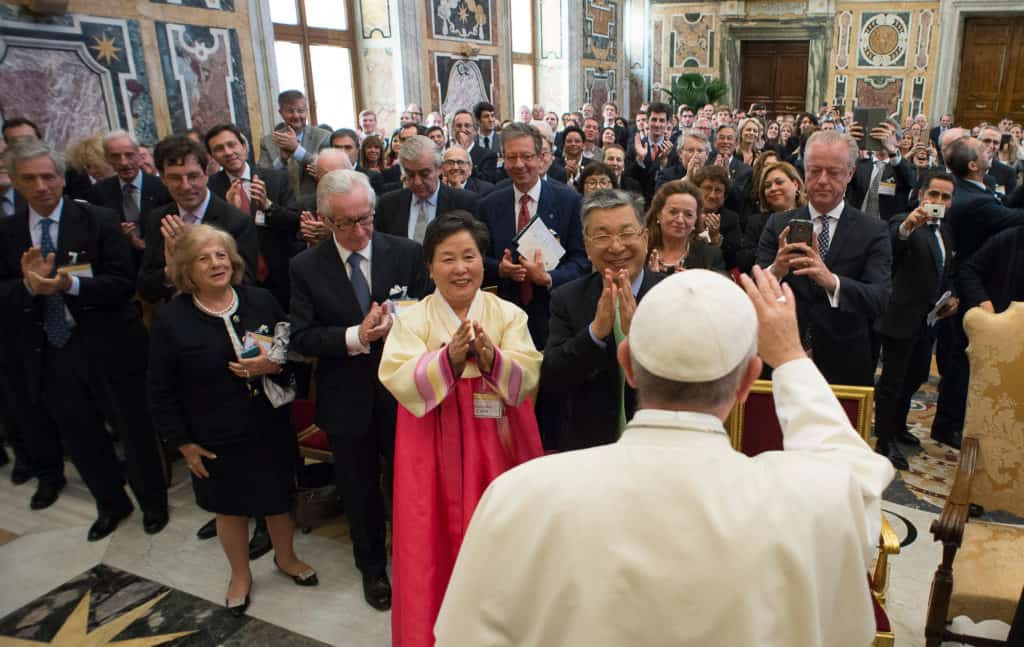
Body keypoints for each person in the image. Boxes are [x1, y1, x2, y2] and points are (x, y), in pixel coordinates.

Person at [436, 266, 895, 646]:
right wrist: (791, 356)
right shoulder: (809, 500)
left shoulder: (521, 495)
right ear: (748, 381)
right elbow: (851, 466)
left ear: (628, 365)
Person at [378, 210, 544, 647]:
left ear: (482, 261)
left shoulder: (507, 315)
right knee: (428, 544)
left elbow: (528, 375)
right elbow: (395, 375)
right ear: (429, 265)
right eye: (446, 258)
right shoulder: (411, 320)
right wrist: (447, 359)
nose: (460, 268)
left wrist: (491, 359)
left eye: (469, 256)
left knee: (500, 541)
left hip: (498, 445)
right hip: (429, 448)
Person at [0, 138, 168, 540]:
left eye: (48, 176)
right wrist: (28, 288)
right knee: (80, 433)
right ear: (16, 183)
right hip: (51, 349)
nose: (41, 186)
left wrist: (70, 284)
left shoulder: (99, 220)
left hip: (109, 344)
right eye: (30, 179)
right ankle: (111, 503)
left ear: (62, 178)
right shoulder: (7, 233)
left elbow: (123, 282)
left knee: (133, 428)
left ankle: (153, 504)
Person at [148, 224, 315, 616]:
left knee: (278, 500)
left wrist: (271, 363)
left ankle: (286, 558)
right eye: (204, 258)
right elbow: (159, 390)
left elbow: (290, 351)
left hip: (269, 424)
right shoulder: (172, 320)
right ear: (187, 269)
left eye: (221, 254)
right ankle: (240, 575)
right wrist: (184, 444)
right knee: (231, 509)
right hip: (214, 435)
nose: (215, 263)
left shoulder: (260, 300)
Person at [289, 169, 429, 611]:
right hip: (346, 398)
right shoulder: (305, 267)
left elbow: (429, 313)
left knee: (410, 484)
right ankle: (372, 568)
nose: (359, 230)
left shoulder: (405, 252)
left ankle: (417, 561)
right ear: (327, 221)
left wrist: (398, 325)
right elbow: (301, 337)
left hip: (404, 393)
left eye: (365, 218)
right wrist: (356, 336)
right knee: (358, 489)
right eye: (346, 223)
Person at [756, 130, 892, 386]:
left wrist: (831, 281)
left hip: (844, 361)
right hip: (781, 357)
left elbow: (880, 298)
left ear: (850, 174)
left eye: (834, 172)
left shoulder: (873, 230)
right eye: (814, 171)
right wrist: (777, 269)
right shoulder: (777, 224)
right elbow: (757, 290)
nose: (822, 180)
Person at [541, 188, 662, 451]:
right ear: (586, 246)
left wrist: (638, 338)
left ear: (645, 237)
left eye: (627, 233)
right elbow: (552, 378)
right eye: (603, 236)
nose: (616, 246)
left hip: (658, 444)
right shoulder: (567, 297)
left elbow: (688, 378)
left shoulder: (673, 293)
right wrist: (594, 333)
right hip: (589, 449)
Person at [931, 137, 1024, 448]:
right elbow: (1015, 218)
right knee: (961, 362)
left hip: (978, 280)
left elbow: (1008, 209)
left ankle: (953, 421)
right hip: (969, 286)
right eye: (985, 150)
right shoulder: (975, 201)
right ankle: (948, 425)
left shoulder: (981, 189)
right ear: (972, 165)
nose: (991, 151)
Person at [475, 123, 588, 347]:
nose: (519, 165)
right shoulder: (489, 204)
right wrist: (500, 268)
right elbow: (476, 257)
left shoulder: (569, 202)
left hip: (555, 317)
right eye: (511, 157)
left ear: (541, 157)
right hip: (503, 319)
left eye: (526, 156)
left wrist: (549, 278)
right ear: (503, 160)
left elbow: (582, 261)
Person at [874, 171, 957, 470]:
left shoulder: (946, 231)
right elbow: (892, 250)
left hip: (928, 321)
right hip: (900, 317)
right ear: (921, 195)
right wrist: (908, 227)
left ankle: (898, 425)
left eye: (945, 197)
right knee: (892, 380)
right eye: (933, 195)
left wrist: (953, 295)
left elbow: (947, 270)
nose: (937, 201)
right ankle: (884, 440)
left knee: (917, 375)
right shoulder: (902, 222)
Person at [137, 135, 259, 303]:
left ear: (206, 174)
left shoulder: (235, 221)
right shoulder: (158, 219)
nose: (186, 186)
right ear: (163, 179)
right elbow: (146, 289)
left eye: (193, 176)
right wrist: (170, 271)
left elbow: (244, 284)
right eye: (175, 178)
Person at [205, 124, 299, 308]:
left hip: (279, 274)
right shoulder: (211, 188)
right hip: (237, 278)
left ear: (244, 146)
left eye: (232, 145)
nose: (228, 152)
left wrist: (268, 205)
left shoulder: (275, 178)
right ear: (212, 156)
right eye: (219, 149)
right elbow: (210, 237)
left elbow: (294, 221)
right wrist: (230, 213)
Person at [374, 135, 478, 242]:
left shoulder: (464, 203)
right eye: (410, 174)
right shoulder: (387, 204)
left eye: (424, 174)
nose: (417, 182)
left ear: (439, 169)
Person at [87, 130, 171, 256]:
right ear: (107, 159)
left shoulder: (162, 186)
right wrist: (118, 234)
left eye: (129, 155)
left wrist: (145, 243)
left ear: (139, 155)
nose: (124, 163)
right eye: (115, 156)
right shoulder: (99, 192)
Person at [259, 90, 331, 198]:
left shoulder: (323, 137)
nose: (296, 115)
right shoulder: (268, 141)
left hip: (316, 203)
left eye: (300, 111)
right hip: (282, 206)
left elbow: (328, 170)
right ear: (281, 113)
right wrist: (281, 160)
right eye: (290, 111)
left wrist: (297, 150)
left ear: (306, 111)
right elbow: (263, 176)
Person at [738, 160, 805, 273]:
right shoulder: (755, 222)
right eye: (767, 186)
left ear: (795, 184)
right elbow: (744, 263)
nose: (773, 188)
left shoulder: (811, 216)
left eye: (779, 182)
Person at [644, 179, 725, 273]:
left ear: (695, 220)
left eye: (688, 214)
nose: (680, 220)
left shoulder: (710, 257)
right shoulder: (641, 251)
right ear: (658, 214)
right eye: (673, 212)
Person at [689, 165, 742, 270]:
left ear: (725, 196)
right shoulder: (686, 213)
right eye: (707, 188)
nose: (712, 195)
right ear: (697, 190)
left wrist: (716, 239)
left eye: (718, 190)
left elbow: (734, 261)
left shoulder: (731, 219)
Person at [450, 110, 498, 183]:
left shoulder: (488, 155)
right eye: (458, 126)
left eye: (467, 125)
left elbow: (486, 183)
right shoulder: (447, 155)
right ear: (453, 130)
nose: (462, 129)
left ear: (475, 131)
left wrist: (464, 152)